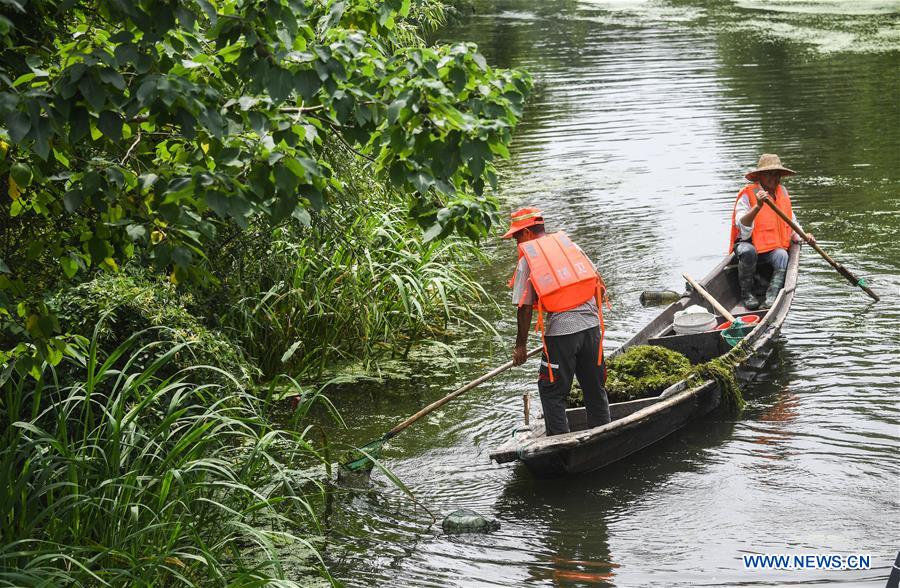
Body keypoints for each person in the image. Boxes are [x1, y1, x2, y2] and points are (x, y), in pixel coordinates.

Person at [504, 207, 611, 436]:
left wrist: (520, 346)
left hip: (562, 334)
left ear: (528, 234)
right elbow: (599, 285)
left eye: (516, 236)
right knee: (594, 388)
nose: (515, 243)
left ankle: (559, 444)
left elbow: (524, 308)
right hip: (592, 328)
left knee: (552, 391)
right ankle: (604, 434)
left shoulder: (528, 260)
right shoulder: (570, 246)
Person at [729, 154, 815, 310]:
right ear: (760, 175)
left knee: (782, 254)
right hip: (748, 246)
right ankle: (746, 294)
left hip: (771, 248)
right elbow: (742, 225)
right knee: (748, 251)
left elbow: (790, 219)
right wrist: (758, 207)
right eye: (769, 174)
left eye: (777, 174)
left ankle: (771, 297)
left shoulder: (782, 192)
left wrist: (803, 235)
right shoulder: (748, 194)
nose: (774, 178)